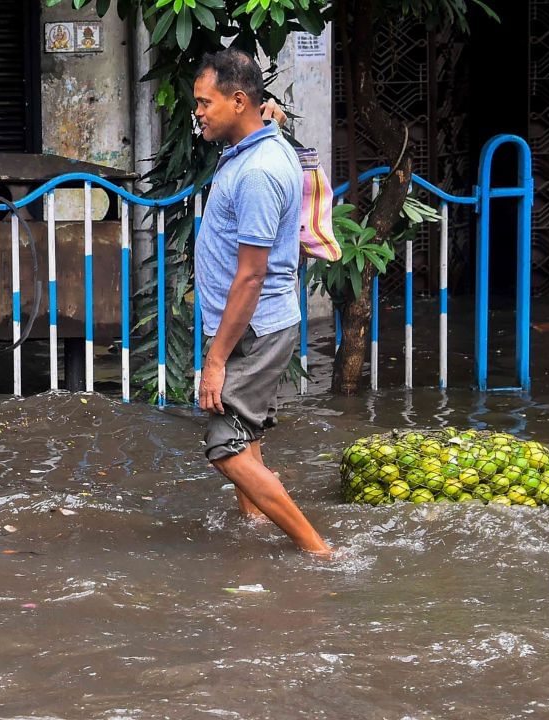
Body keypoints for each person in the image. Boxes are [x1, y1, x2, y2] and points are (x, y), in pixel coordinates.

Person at [192, 48, 331, 555]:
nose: (199, 114)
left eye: (206, 104)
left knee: (225, 449)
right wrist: (268, 115)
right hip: (255, 325)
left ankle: (318, 551)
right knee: (245, 436)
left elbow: (251, 276)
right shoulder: (260, 146)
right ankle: (251, 531)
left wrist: (215, 361)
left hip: (252, 328)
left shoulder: (257, 173)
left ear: (238, 100)